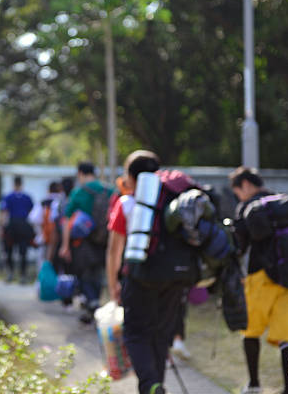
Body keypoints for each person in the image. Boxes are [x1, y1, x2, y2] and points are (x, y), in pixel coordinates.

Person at [112, 150, 198, 394]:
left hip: (140, 277)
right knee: (161, 334)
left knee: (136, 333)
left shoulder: (127, 203)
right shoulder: (175, 201)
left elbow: (113, 251)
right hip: (175, 277)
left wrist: (113, 283)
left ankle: (151, 385)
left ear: (131, 176)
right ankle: (156, 385)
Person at [230, 167, 288, 394]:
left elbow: (239, 243)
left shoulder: (251, 207)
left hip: (261, 277)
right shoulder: (285, 204)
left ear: (246, 185)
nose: (239, 196)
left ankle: (254, 385)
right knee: (287, 335)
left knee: (251, 330)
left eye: (238, 191)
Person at [58, 162, 111, 324]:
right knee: (99, 272)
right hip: (104, 238)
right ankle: (93, 305)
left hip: (83, 241)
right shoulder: (108, 190)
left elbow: (67, 220)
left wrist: (65, 245)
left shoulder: (79, 192)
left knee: (84, 273)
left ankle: (92, 302)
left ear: (80, 173)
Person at [0, 176, 34, 283]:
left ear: (14, 184)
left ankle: (10, 273)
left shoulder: (8, 197)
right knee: (23, 251)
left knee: (9, 250)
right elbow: (30, 212)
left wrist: (2, 227)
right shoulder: (27, 197)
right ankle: (23, 275)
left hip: (12, 225)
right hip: (24, 224)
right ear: (21, 184)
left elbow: (4, 213)